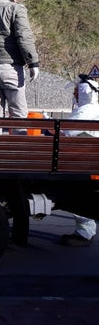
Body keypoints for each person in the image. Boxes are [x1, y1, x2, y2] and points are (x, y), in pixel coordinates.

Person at [61, 74, 99, 247]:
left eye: (77, 91)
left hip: (84, 161)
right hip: (89, 158)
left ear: (84, 92)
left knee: (79, 195)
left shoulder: (86, 110)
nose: (75, 94)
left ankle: (85, 233)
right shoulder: (92, 108)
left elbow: (68, 131)